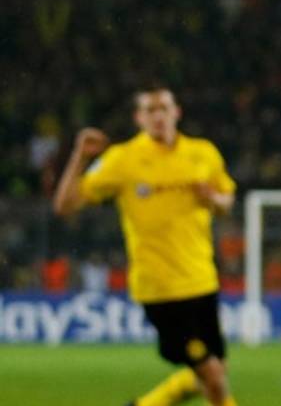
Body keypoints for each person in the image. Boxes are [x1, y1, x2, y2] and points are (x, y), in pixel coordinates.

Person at [53, 86, 238, 406]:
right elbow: (65, 205)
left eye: (163, 108)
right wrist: (80, 157)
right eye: (150, 110)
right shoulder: (123, 159)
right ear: (139, 118)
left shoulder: (203, 153)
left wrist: (213, 199)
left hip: (202, 281)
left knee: (212, 373)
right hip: (159, 289)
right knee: (212, 374)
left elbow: (227, 201)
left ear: (176, 112)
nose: (158, 116)